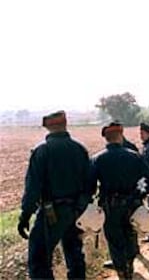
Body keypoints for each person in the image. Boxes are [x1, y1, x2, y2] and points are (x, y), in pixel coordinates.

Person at [17, 111, 90, 279]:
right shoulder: (80, 149)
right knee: (75, 255)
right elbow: (89, 184)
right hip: (76, 211)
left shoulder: (42, 151)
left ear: (48, 127)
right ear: (65, 125)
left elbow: (33, 188)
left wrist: (25, 215)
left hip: (51, 213)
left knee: (39, 259)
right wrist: (81, 206)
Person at [90, 122, 149, 279]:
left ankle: (122, 271)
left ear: (106, 138)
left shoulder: (97, 159)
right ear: (121, 136)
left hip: (110, 206)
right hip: (132, 205)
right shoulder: (134, 156)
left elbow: (90, 185)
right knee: (130, 236)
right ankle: (129, 266)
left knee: (114, 239)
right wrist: (141, 194)